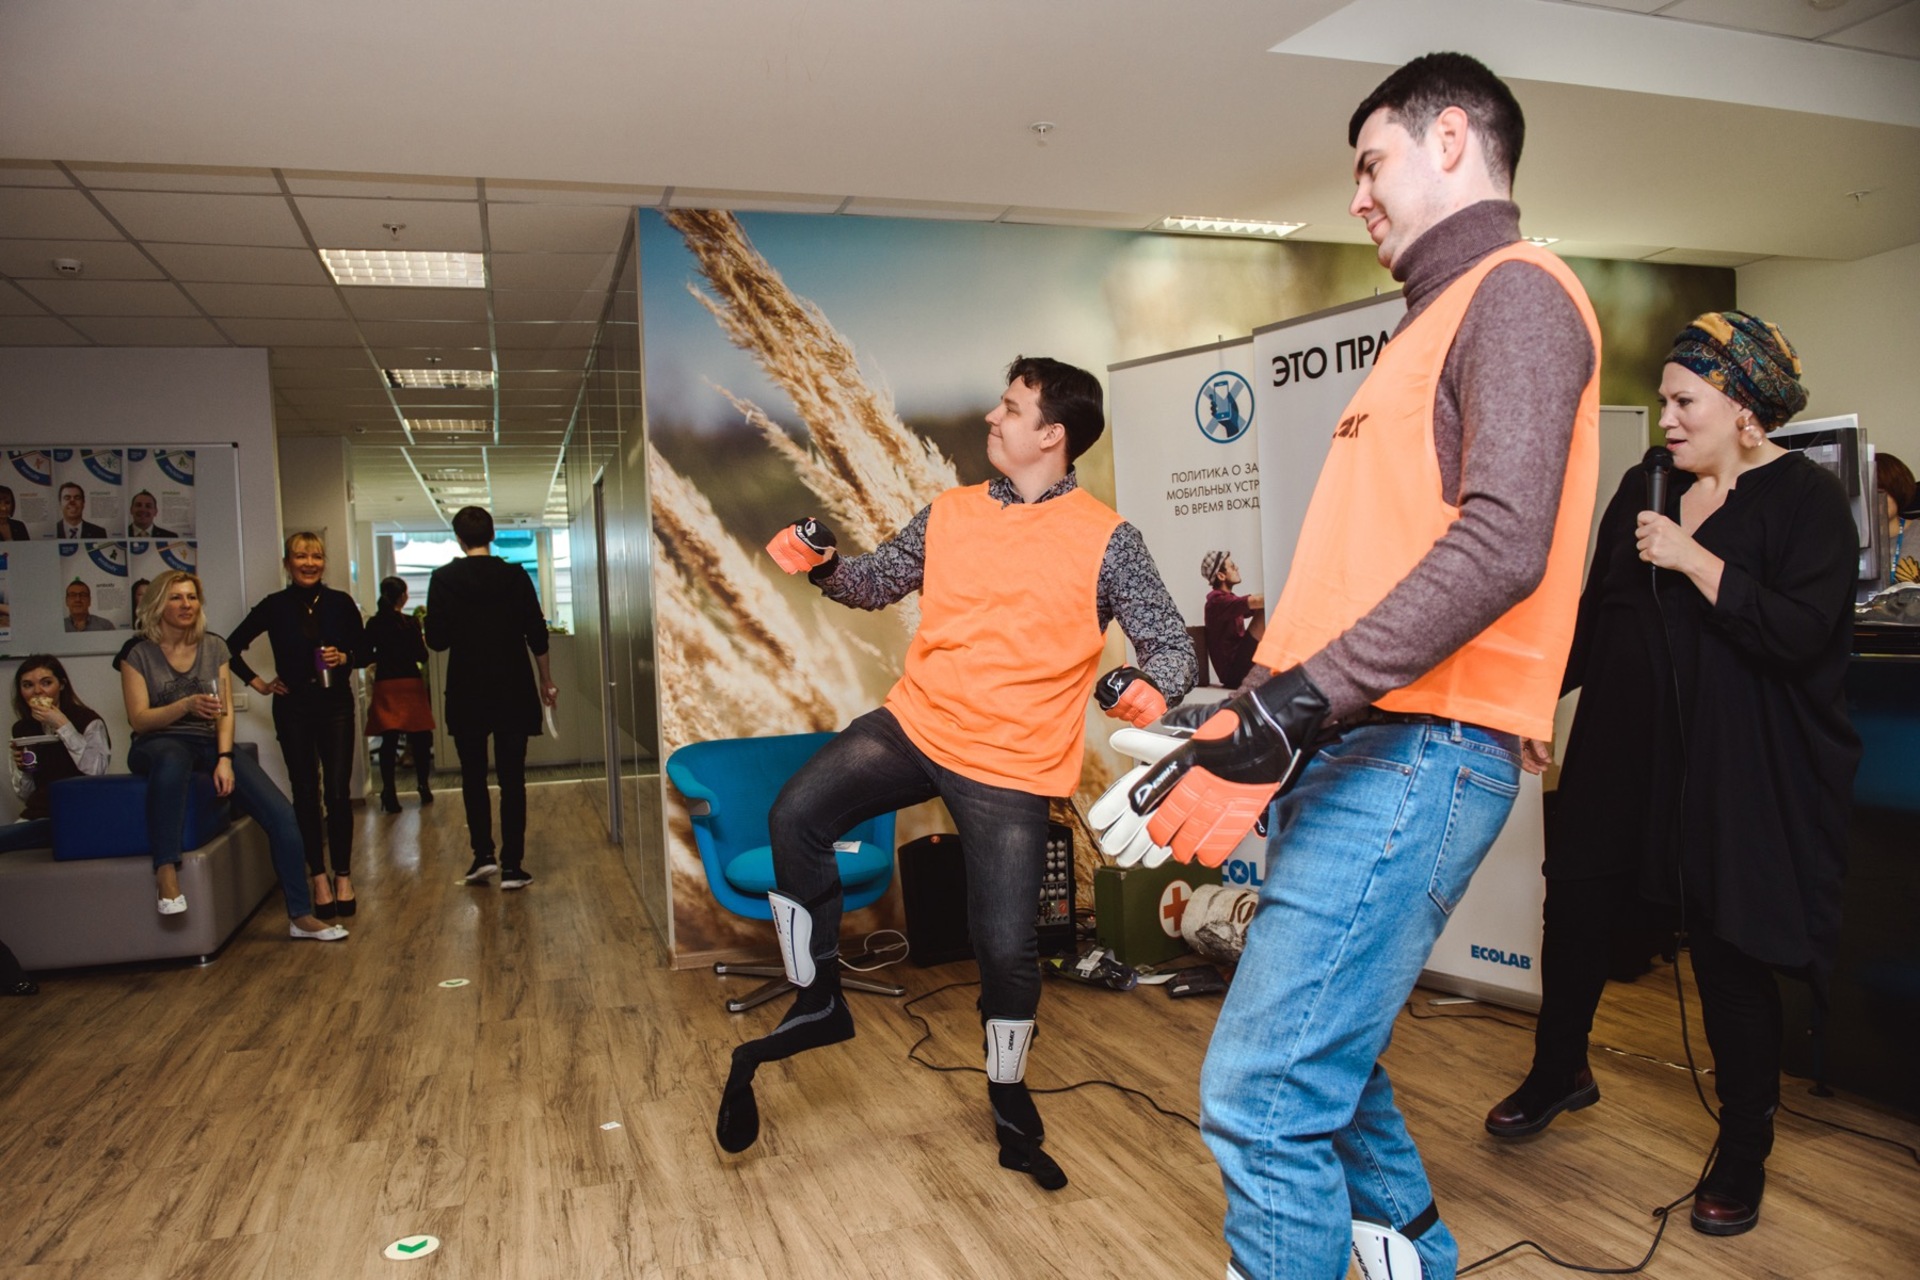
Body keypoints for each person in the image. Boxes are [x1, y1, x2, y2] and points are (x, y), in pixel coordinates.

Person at [1099, 54, 1600, 1279]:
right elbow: (1365, 578)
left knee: (1261, 1094)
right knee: (1331, 1055)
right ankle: (1415, 1257)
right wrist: (1242, 723)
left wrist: (1294, 703)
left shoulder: (1519, 293)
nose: (1358, 195)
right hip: (1355, 744)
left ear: (1451, 139)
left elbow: (1504, 543)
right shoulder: (1424, 324)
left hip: (1419, 748)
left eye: (1372, 164)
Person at [721, 355, 1196, 1190]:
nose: (992, 418)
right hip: (917, 724)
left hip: (1013, 763)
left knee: (1005, 948)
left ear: (1052, 434)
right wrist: (824, 562)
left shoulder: (1108, 539)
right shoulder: (950, 511)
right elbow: (874, 583)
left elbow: (1174, 649)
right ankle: (818, 998)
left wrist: (1143, 685)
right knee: (796, 814)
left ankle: (1009, 1099)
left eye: (1011, 408)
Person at [1484, 312, 1859, 1238]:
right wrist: (1535, 702)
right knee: (1576, 908)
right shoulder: (1643, 485)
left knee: (1728, 954)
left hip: (1731, 769)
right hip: (1621, 746)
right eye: (1664, 401)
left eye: (1685, 401)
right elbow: (1597, 612)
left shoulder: (1807, 501)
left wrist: (1695, 560)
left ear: (1746, 409)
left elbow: (1802, 634)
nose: (1667, 419)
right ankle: (1559, 1070)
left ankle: (1744, 1147)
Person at [120, 569, 345, 939]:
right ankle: (166, 871)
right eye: (176, 597)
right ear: (157, 604)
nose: (186, 604)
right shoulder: (137, 653)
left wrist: (225, 758)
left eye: (192, 597)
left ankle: (301, 916)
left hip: (208, 742)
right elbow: (140, 719)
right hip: (157, 742)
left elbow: (223, 713)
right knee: (172, 759)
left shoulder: (214, 647)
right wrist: (185, 705)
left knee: (282, 815)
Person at [227, 533, 367, 919]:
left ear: (324, 562)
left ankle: (343, 876)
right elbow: (228, 647)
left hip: (336, 706)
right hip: (293, 709)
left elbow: (367, 650)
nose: (309, 563)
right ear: (287, 563)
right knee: (305, 793)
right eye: (301, 556)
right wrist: (259, 683)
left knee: (338, 793)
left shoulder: (340, 603)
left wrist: (345, 656)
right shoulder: (274, 605)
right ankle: (318, 877)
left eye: (316, 556)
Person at [425, 507, 556, 891]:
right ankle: (512, 867)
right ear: (493, 534)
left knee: (473, 775)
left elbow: (437, 641)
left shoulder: (442, 580)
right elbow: (537, 633)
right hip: (513, 688)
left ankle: (483, 855)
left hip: (467, 690)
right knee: (513, 778)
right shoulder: (515, 576)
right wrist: (546, 680)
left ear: (458, 538)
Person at [0, 655, 110, 854]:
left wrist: (62, 725)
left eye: (46, 683)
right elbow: (26, 795)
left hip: (80, 812)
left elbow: (96, 771)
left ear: (62, 685)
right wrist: (23, 770)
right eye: (28, 685)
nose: (37, 691)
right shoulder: (21, 729)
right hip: (39, 814)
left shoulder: (88, 720)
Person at [363, 575, 435, 813]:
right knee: (420, 739)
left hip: (386, 684)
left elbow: (365, 654)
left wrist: (383, 656)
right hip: (410, 684)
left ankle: (389, 792)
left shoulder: (374, 623)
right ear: (403, 597)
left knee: (389, 740)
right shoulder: (411, 622)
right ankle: (423, 785)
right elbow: (422, 655)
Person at [1200, 549, 1264, 687]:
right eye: (1232, 566)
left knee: (1265, 608)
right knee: (1264, 609)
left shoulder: (1228, 601)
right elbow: (1257, 601)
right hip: (1234, 673)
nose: (1237, 568)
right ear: (1221, 576)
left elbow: (1252, 605)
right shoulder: (1216, 602)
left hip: (1238, 665)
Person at [1874, 452, 1917, 586]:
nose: (1876, 500)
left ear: (1898, 491)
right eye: (1868, 493)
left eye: (1881, 492)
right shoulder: (1842, 540)